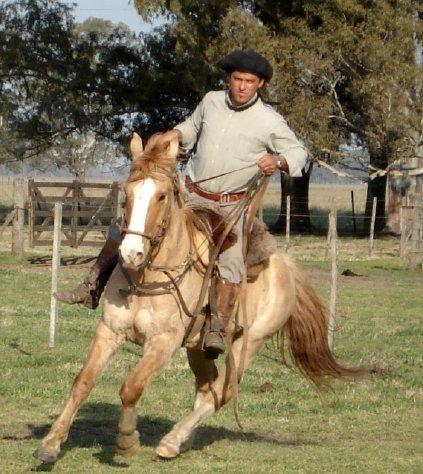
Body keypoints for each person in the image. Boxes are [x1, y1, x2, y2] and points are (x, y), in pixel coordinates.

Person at [57, 50, 308, 355]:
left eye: (249, 81)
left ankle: (217, 326)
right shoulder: (212, 101)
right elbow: (191, 127)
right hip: (192, 195)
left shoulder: (269, 120)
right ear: (229, 79)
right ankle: (92, 285)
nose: (242, 86)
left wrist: (278, 160)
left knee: (230, 259)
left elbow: (299, 153)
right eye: (237, 79)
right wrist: (175, 134)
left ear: (261, 84)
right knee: (126, 226)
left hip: (231, 206)